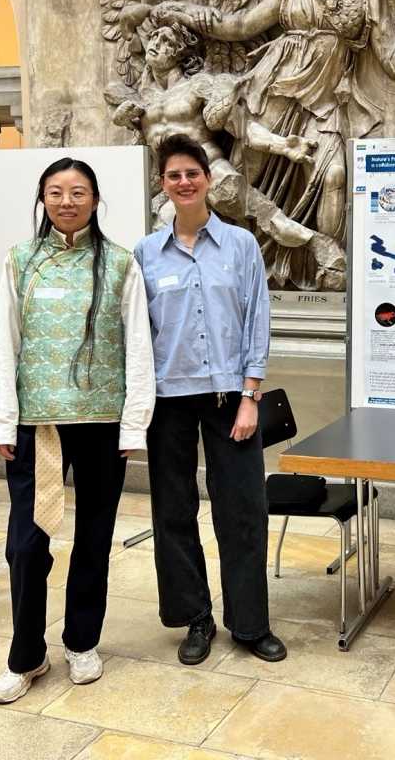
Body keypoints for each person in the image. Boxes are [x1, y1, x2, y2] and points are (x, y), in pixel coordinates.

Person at [0, 158, 155, 704]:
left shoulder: (121, 263)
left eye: (78, 192)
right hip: (40, 424)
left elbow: (138, 348)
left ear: (96, 200)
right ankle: (26, 655)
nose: (67, 201)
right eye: (56, 192)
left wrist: (135, 426)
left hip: (102, 424)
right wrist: (2, 419)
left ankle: (82, 641)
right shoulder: (20, 261)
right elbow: (2, 343)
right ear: (42, 199)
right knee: (27, 545)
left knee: (93, 538)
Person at [134, 134, 284, 665]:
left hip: (230, 398)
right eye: (173, 175)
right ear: (163, 185)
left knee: (243, 509)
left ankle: (249, 623)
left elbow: (257, 322)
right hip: (168, 400)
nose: (183, 182)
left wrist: (251, 395)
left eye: (191, 173)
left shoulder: (241, 245)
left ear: (208, 179)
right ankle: (195, 618)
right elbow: (137, 334)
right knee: (174, 512)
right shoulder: (145, 254)